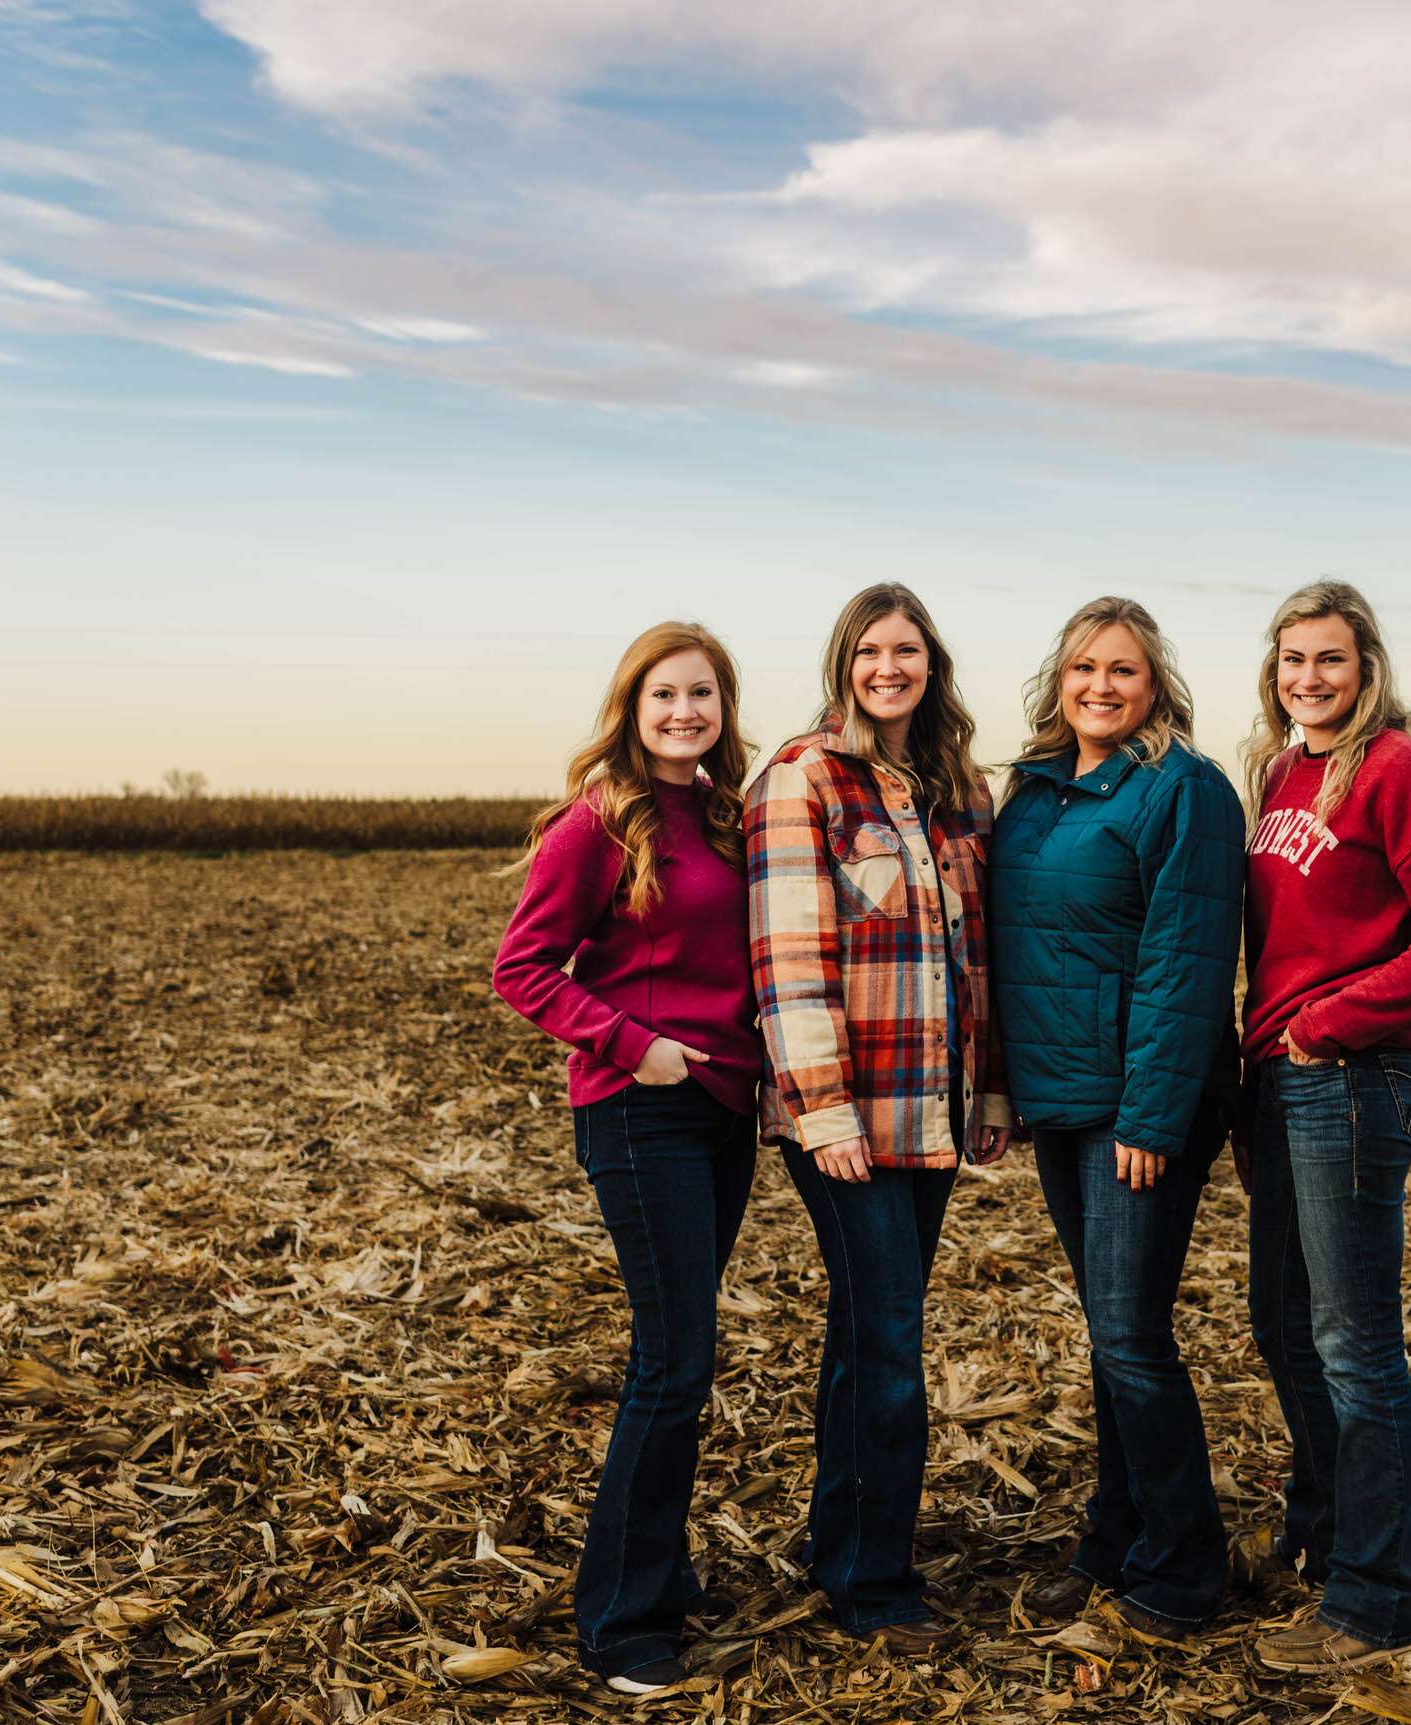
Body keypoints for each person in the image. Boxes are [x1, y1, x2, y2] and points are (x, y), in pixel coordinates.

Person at [490, 622, 761, 1697]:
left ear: (725, 709)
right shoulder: (600, 823)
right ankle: (617, 1619)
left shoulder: (733, 820)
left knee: (686, 1359)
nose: (685, 712)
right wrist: (633, 1045)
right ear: (632, 707)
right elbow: (523, 968)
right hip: (639, 1113)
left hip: (722, 1116)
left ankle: (661, 1565)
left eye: (703, 694)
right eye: (665, 696)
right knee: (672, 1361)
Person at [746, 582, 1012, 1650]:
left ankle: (837, 1541)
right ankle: (876, 1582)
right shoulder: (802, 778)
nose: (888, 668)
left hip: (934, 1114)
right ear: (843, 663)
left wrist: (991, 1092)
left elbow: (978, 957)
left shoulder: (958, 789)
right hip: (848, 1121)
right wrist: (823, 1113)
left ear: (931, 665)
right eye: (870, 651)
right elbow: (787, 960)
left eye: (907, 651)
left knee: (872, 1336)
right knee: (892, 1342)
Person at [1236, 580, 1411, 1672]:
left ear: (1367, 665)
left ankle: (1377, 1600)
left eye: (1329, 659)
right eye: (1293, 659)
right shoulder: (1280, 771)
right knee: (1286, 1325)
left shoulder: (1399, 770)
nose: (1309, 678)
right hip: (1277, 1082)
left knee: (1352, 1344)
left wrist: (1333, 1022)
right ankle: (1325, 1533)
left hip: (1350, 1079)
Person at [987, 597, 1244, 1635]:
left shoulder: (1183, 790)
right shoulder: (1038, 790)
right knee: (1108, 1333)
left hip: (1140, 1109)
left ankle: (1186, 1563)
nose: (1101, 685)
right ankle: (1114, 1533)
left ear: (1157, 687)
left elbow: (1187, 963)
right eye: (1085, 667)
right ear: (1060, 679)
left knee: (1133, 1335)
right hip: (1062, 1098)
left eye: (1124, 671)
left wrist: (1150, 1118)